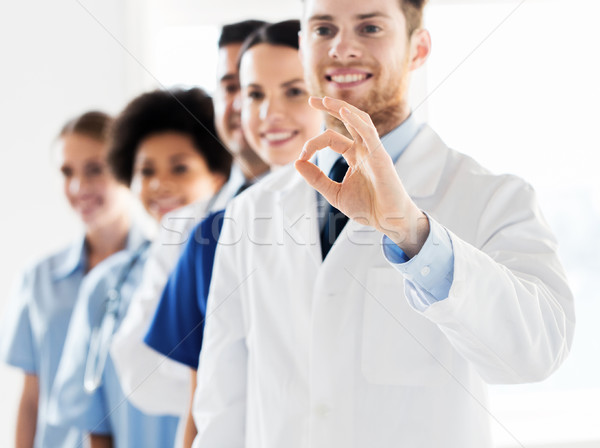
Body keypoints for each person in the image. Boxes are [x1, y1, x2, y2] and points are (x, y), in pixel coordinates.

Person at [191, 0, 576, 447]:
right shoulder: (250, 211)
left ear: (418, 49)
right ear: (302, 48)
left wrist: (414, 234)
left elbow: (537, 353)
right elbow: (223, 404)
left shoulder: (492, 197)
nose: (341, 48)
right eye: (322, 29)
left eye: (370, 27)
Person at [143, 20, 322, 447]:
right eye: (253, 93)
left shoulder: (375, 218)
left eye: (294, 90)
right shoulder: (214, 236)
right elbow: (203, 400)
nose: (268, 113)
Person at [47, 88, 232, 448]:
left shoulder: (235, 274)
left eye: (180, 168)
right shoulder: (105, 285)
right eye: (145, 171)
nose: (159, 184)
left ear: (218, 175)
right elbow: (93, 422)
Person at [108, 21, 270, 425]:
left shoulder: (325, 213)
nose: (241, 104)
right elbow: (138, 369)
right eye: (230, 87)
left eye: (257, 87)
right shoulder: (188, 229)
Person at [0, 111, 135, 448]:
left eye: (94, 169)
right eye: (67, 172)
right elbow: (32, 397)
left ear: (125, 168)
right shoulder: (38, 279)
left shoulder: (159, 275)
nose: (79, 187)